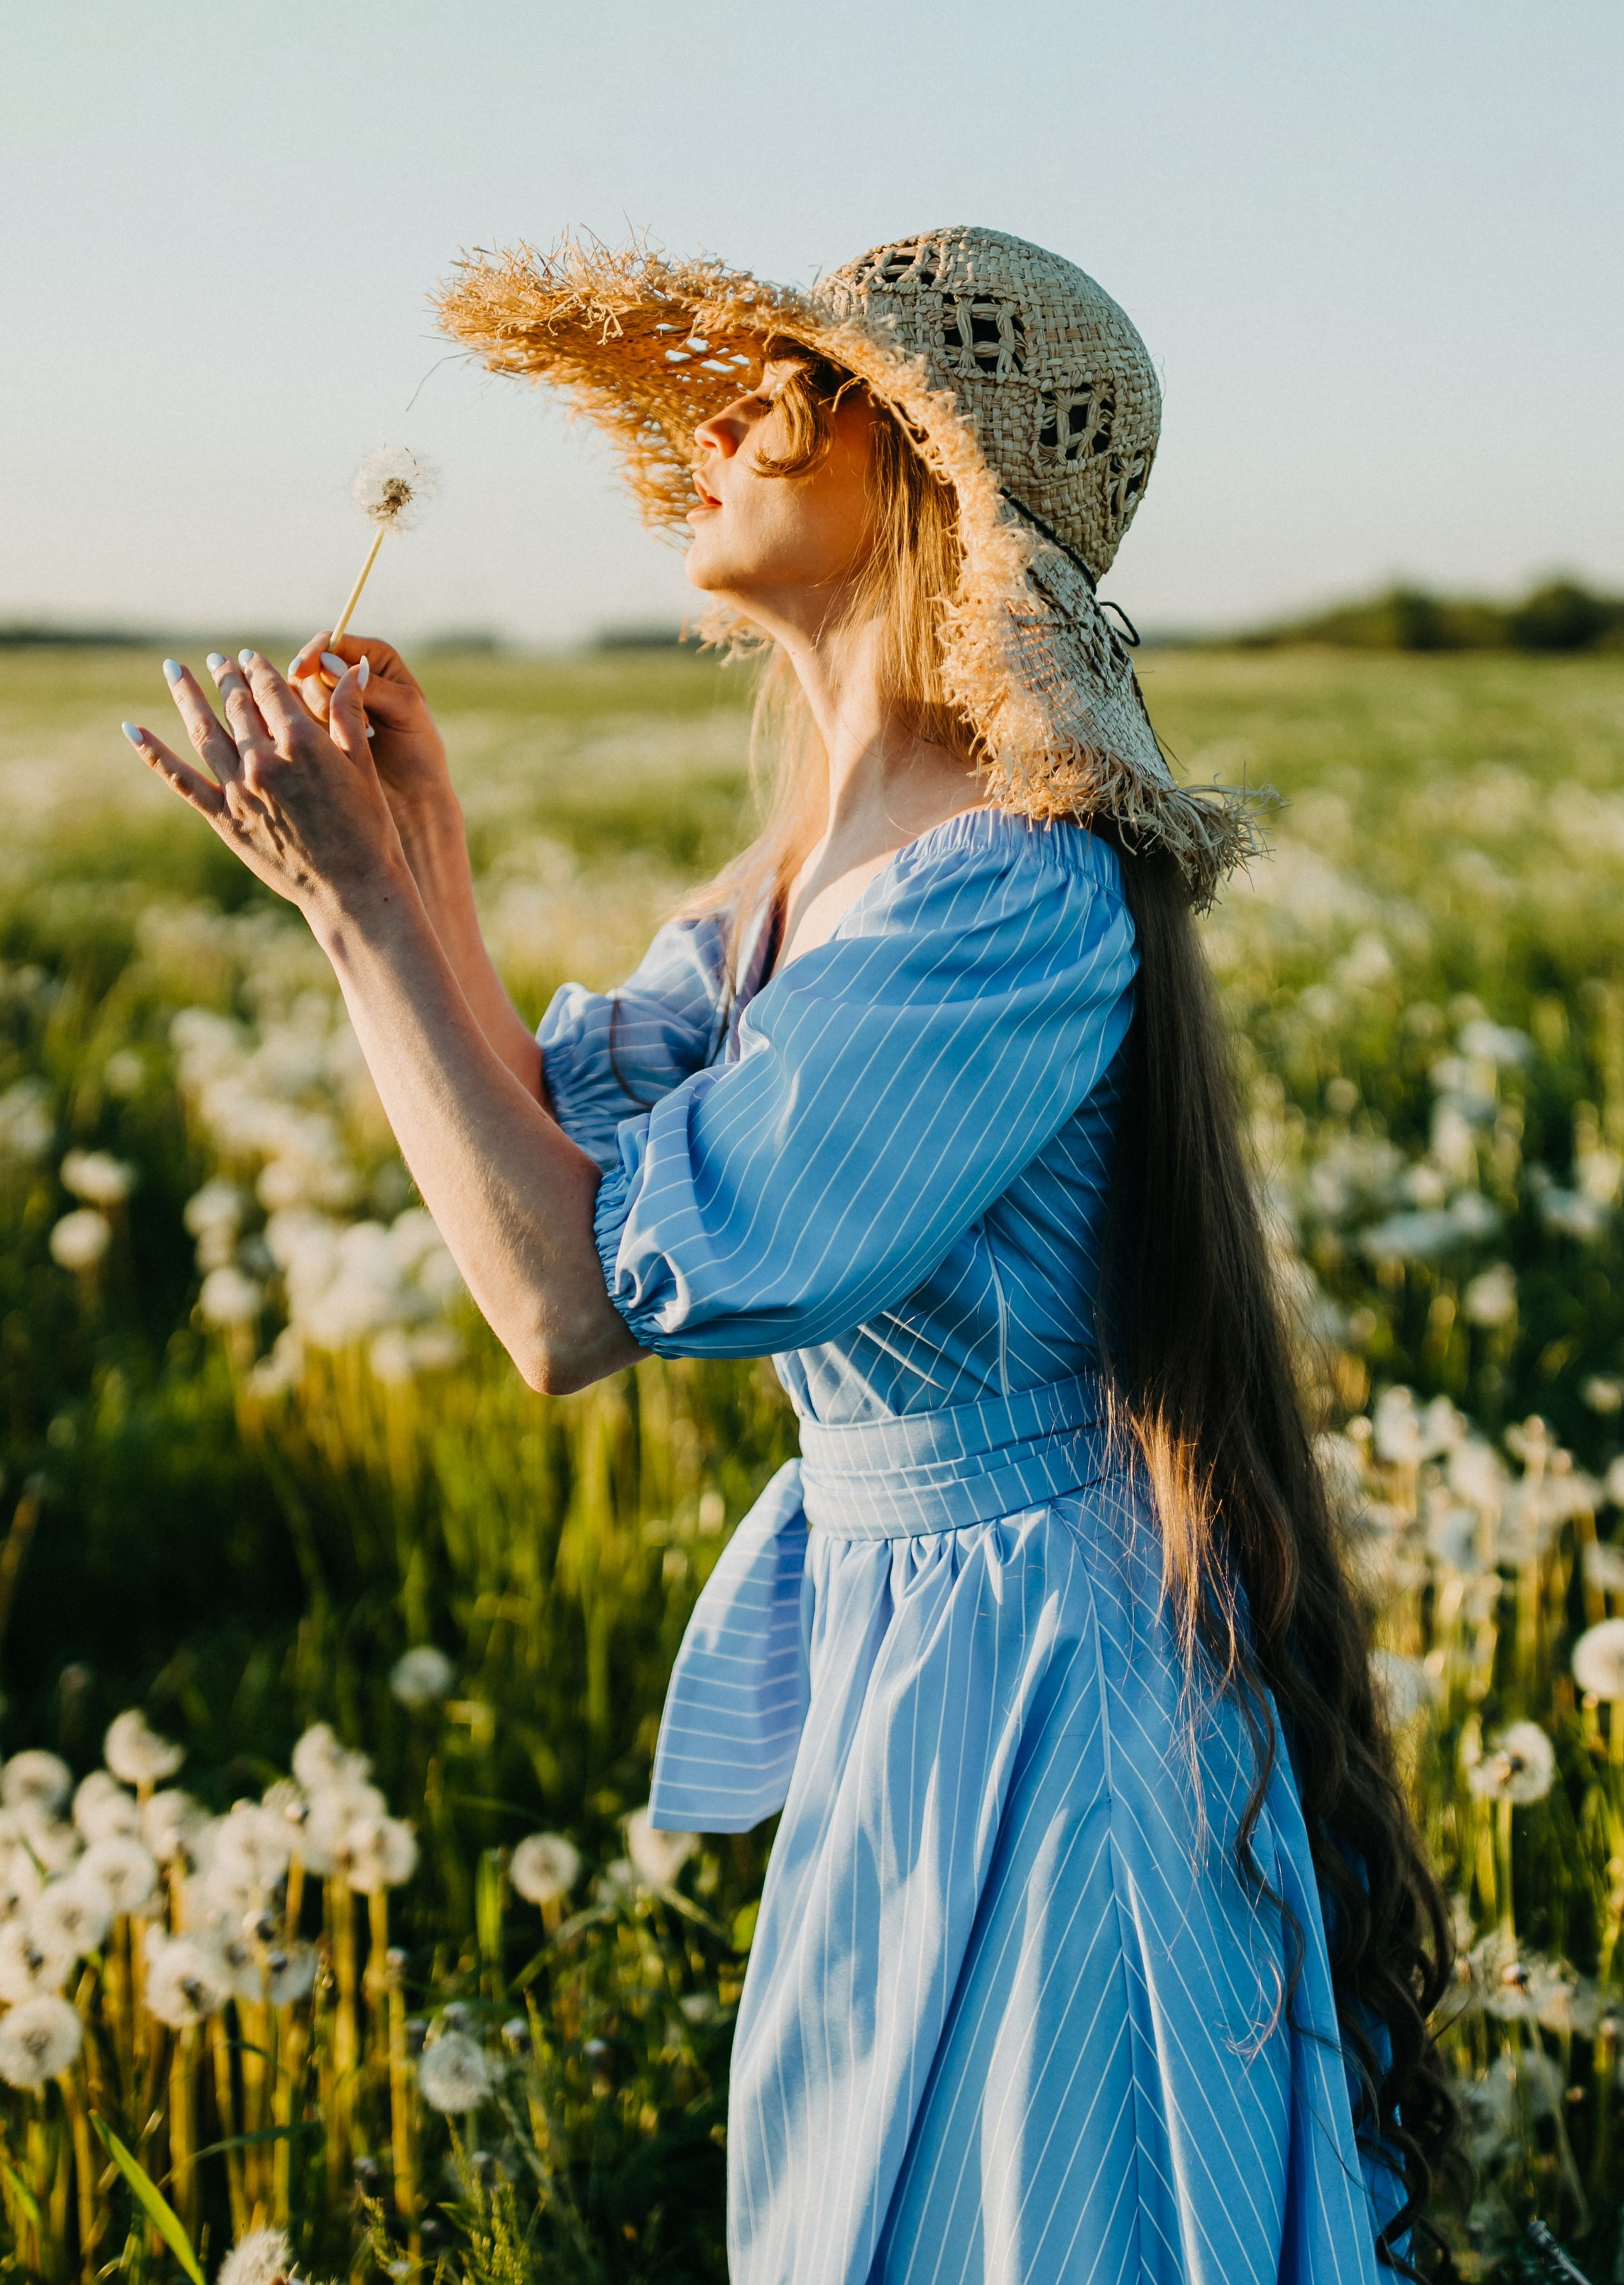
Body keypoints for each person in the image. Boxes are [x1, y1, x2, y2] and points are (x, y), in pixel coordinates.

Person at [124, 227, 1453, 2281]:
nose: (719, 417)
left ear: (924, 473)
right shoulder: (795, 872)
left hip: (1049, 1680)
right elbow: (556, 1165)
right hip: (915, 1644)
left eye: (791, 385)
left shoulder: (1009, 895)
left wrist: (359, 910)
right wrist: (408, 870)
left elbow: (574, 1306)